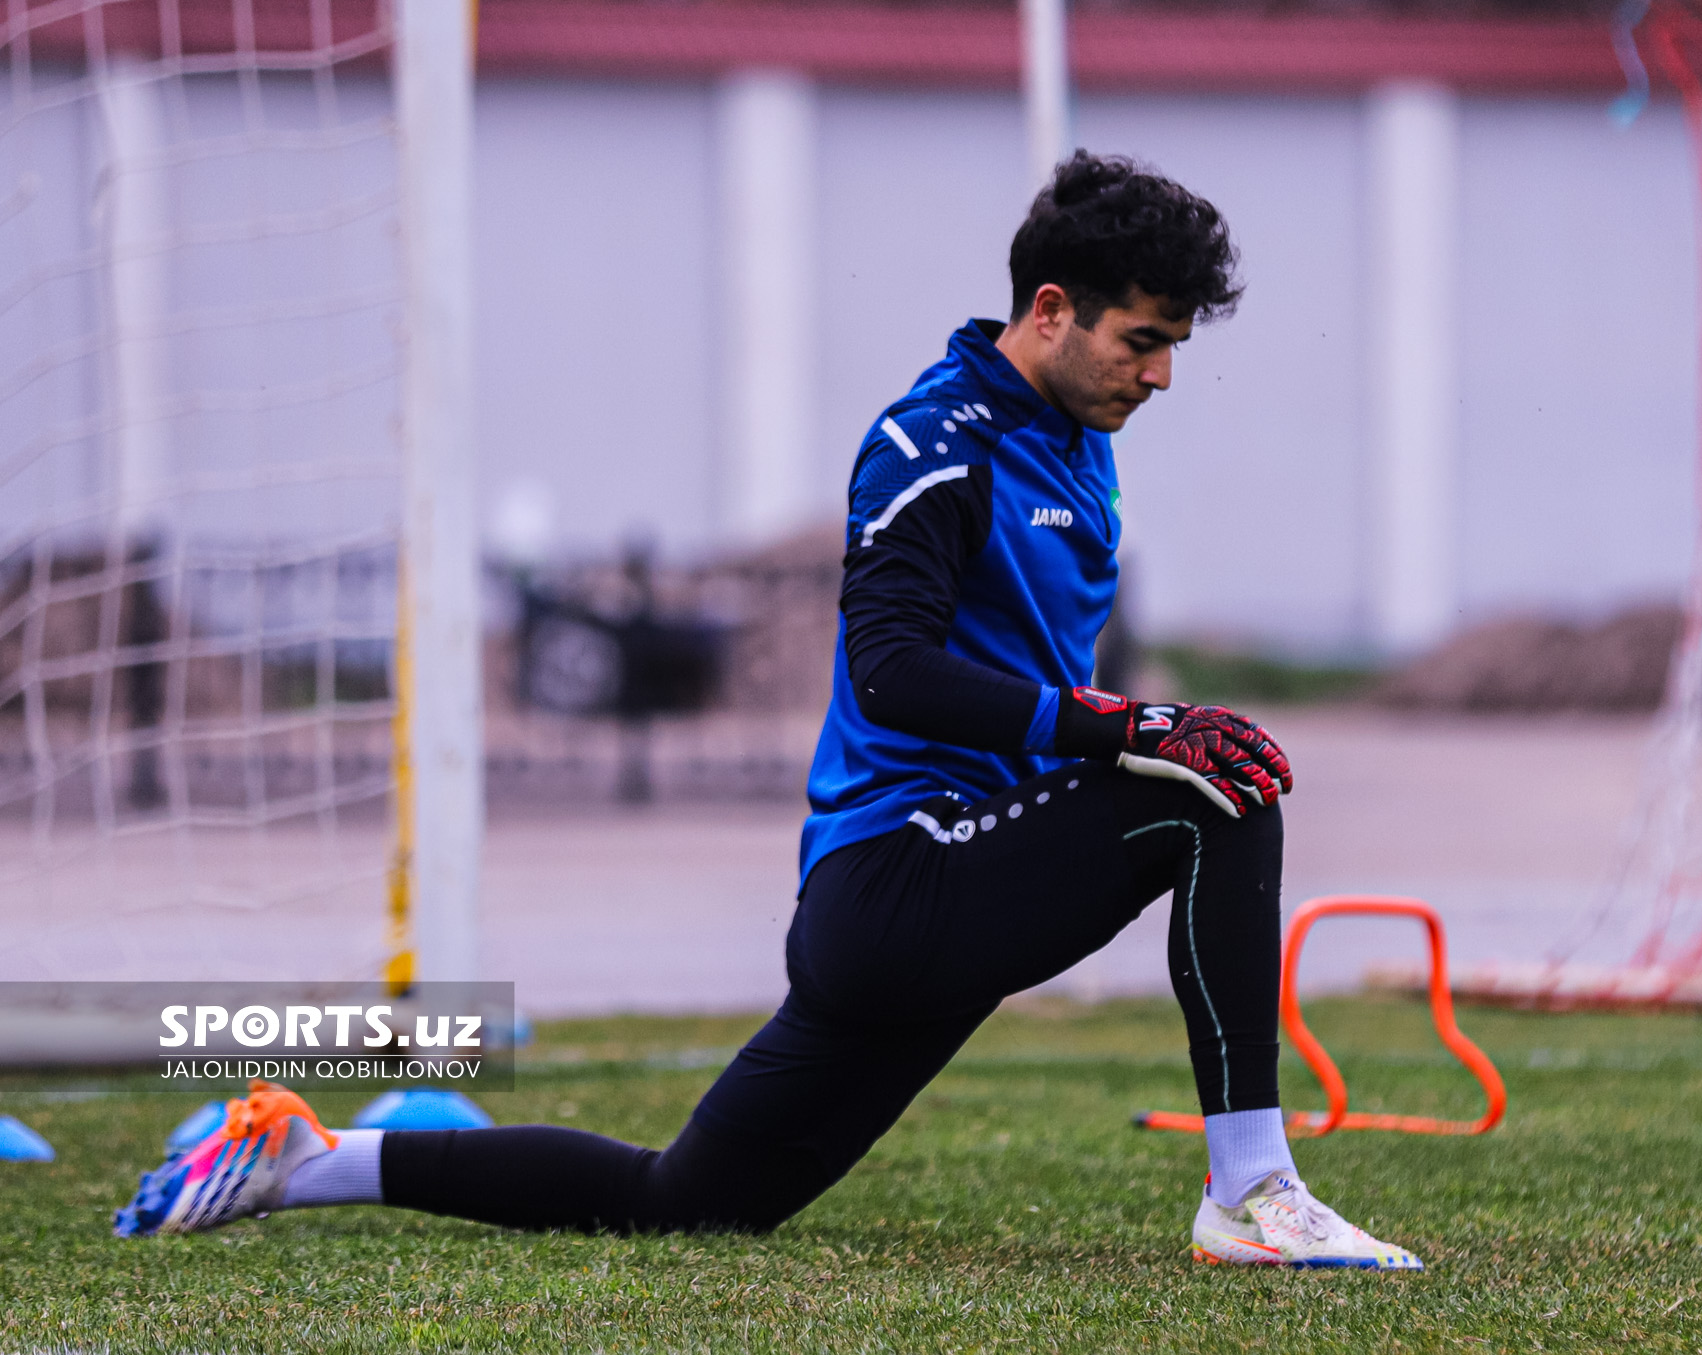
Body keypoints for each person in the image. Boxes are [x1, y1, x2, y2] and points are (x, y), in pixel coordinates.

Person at [116, 151, 1421, 1270]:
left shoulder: (1077, 442)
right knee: (1219, 798)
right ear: (1051, 308)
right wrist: (1133, 730)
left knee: (684, 1203)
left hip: (953, 872)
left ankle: (314, 1157)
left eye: (1175, 349)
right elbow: (896, 673)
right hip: (899, 880)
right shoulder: (939, 441)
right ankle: (1251, 1191)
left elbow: (1022, 668)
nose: (1162, 377)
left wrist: (1109, 726)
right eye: (1144, 343)